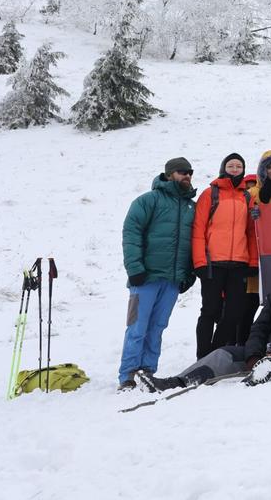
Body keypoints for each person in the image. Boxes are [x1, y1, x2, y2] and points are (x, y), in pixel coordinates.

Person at [134, 246, 271, 392]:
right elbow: (259, 327)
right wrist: (253, 355)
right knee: (223, 353)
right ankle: (177, 382)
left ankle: (260, 376)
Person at [118, 157, 197, 391]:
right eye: (182, 172)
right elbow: (131, 233)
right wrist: (135, 269)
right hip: (145, 278)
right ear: (169, 174)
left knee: (157, 327)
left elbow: (192, 242)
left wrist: (188, 273)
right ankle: (128, 376)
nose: (187, 176)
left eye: (190, 172)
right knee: (137, 327)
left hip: (172, 281)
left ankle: (147, 372)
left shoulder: (191, 207)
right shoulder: (148, 200)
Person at [191, 153, 258, 358]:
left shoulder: (246, 197)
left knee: (234, 313)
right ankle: (202, 357)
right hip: (214, 263)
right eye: (231, 165)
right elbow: (198, 229)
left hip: (239, 263)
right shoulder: (210, 194)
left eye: (239, 166)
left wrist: (253, 261)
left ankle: (214, 354)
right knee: (210, 311)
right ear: (223, 168)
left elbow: (251, 231)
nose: (235, 169)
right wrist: (200, 261)